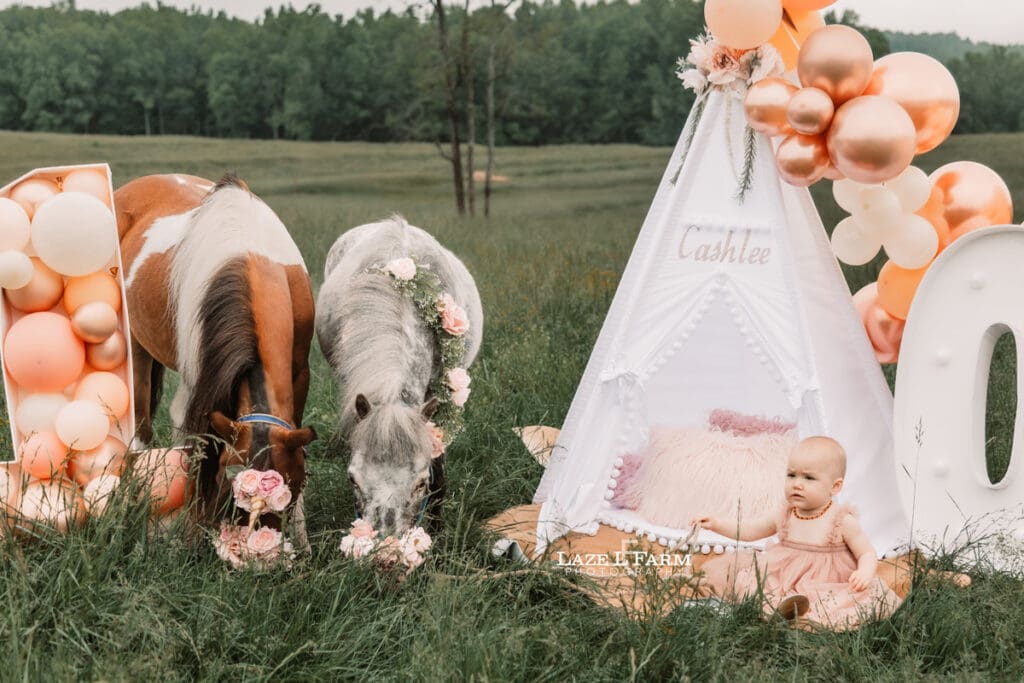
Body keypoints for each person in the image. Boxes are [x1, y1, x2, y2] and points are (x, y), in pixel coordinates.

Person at [691, 435, 902, 629]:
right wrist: (717, 523)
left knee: (838, 602)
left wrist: (864, 572)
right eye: (791, 475)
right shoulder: (785, 514)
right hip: (783, 577)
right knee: (754, 583)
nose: (797, 484)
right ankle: (779, 609)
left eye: (809, 478)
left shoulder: (841, 521)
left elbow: (865, 552)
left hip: (826, 583)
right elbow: (750, 531)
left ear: (835, 486)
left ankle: (802, 616)